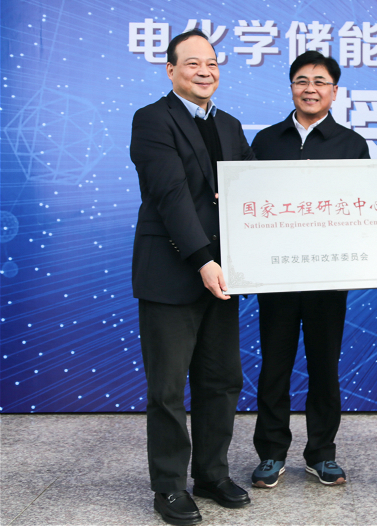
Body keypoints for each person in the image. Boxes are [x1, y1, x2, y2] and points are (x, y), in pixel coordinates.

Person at [130, 29, 254, 526]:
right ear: (171, 70)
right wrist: (203, 260)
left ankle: (211, 474)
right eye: (193, 63)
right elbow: (171, 195)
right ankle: (168, 486)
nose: (205, 71)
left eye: (212, 63)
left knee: (221, 380)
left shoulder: (230, 125)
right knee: (167, 388)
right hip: (174, 272)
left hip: (224, 274)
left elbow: (252, 192)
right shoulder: (151, 119)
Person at [248, 51, 369, 489]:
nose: (310, 89)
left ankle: (322, 453)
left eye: (320, 82)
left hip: (328, 278)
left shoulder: (352, 145)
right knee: (274, 366)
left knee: (324, 367)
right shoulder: (265, 141)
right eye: (302, 80)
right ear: (291, 88)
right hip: (276, 276)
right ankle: (271, 452)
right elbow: (249, 206)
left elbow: (363, 211)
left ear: (334, 91)